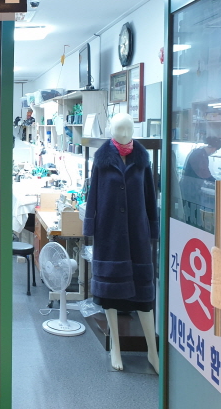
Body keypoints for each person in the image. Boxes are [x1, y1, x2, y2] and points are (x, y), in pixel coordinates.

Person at [83, 113, 159, 373]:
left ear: (134, 130)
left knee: (144, 294)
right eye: (119, 129)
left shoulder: (142, 160)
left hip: (137, 233)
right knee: (110, 295)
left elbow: (150, 196)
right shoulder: (101, 160)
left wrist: (153, 227)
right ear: (110, 130)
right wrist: (89, 226)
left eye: (128, 129)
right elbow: (93, 195)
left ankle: (152, 350)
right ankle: (115, 346)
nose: (124, 133)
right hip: (109, 233)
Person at [179, 136, 221, 226]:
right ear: (213, 148)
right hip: (190, 188)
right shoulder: (200, 155)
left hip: (191, 187)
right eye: (215, 150)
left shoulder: (200, 152)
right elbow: (204, 172)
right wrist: (217, 183)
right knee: (192, 213)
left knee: (192, 212)